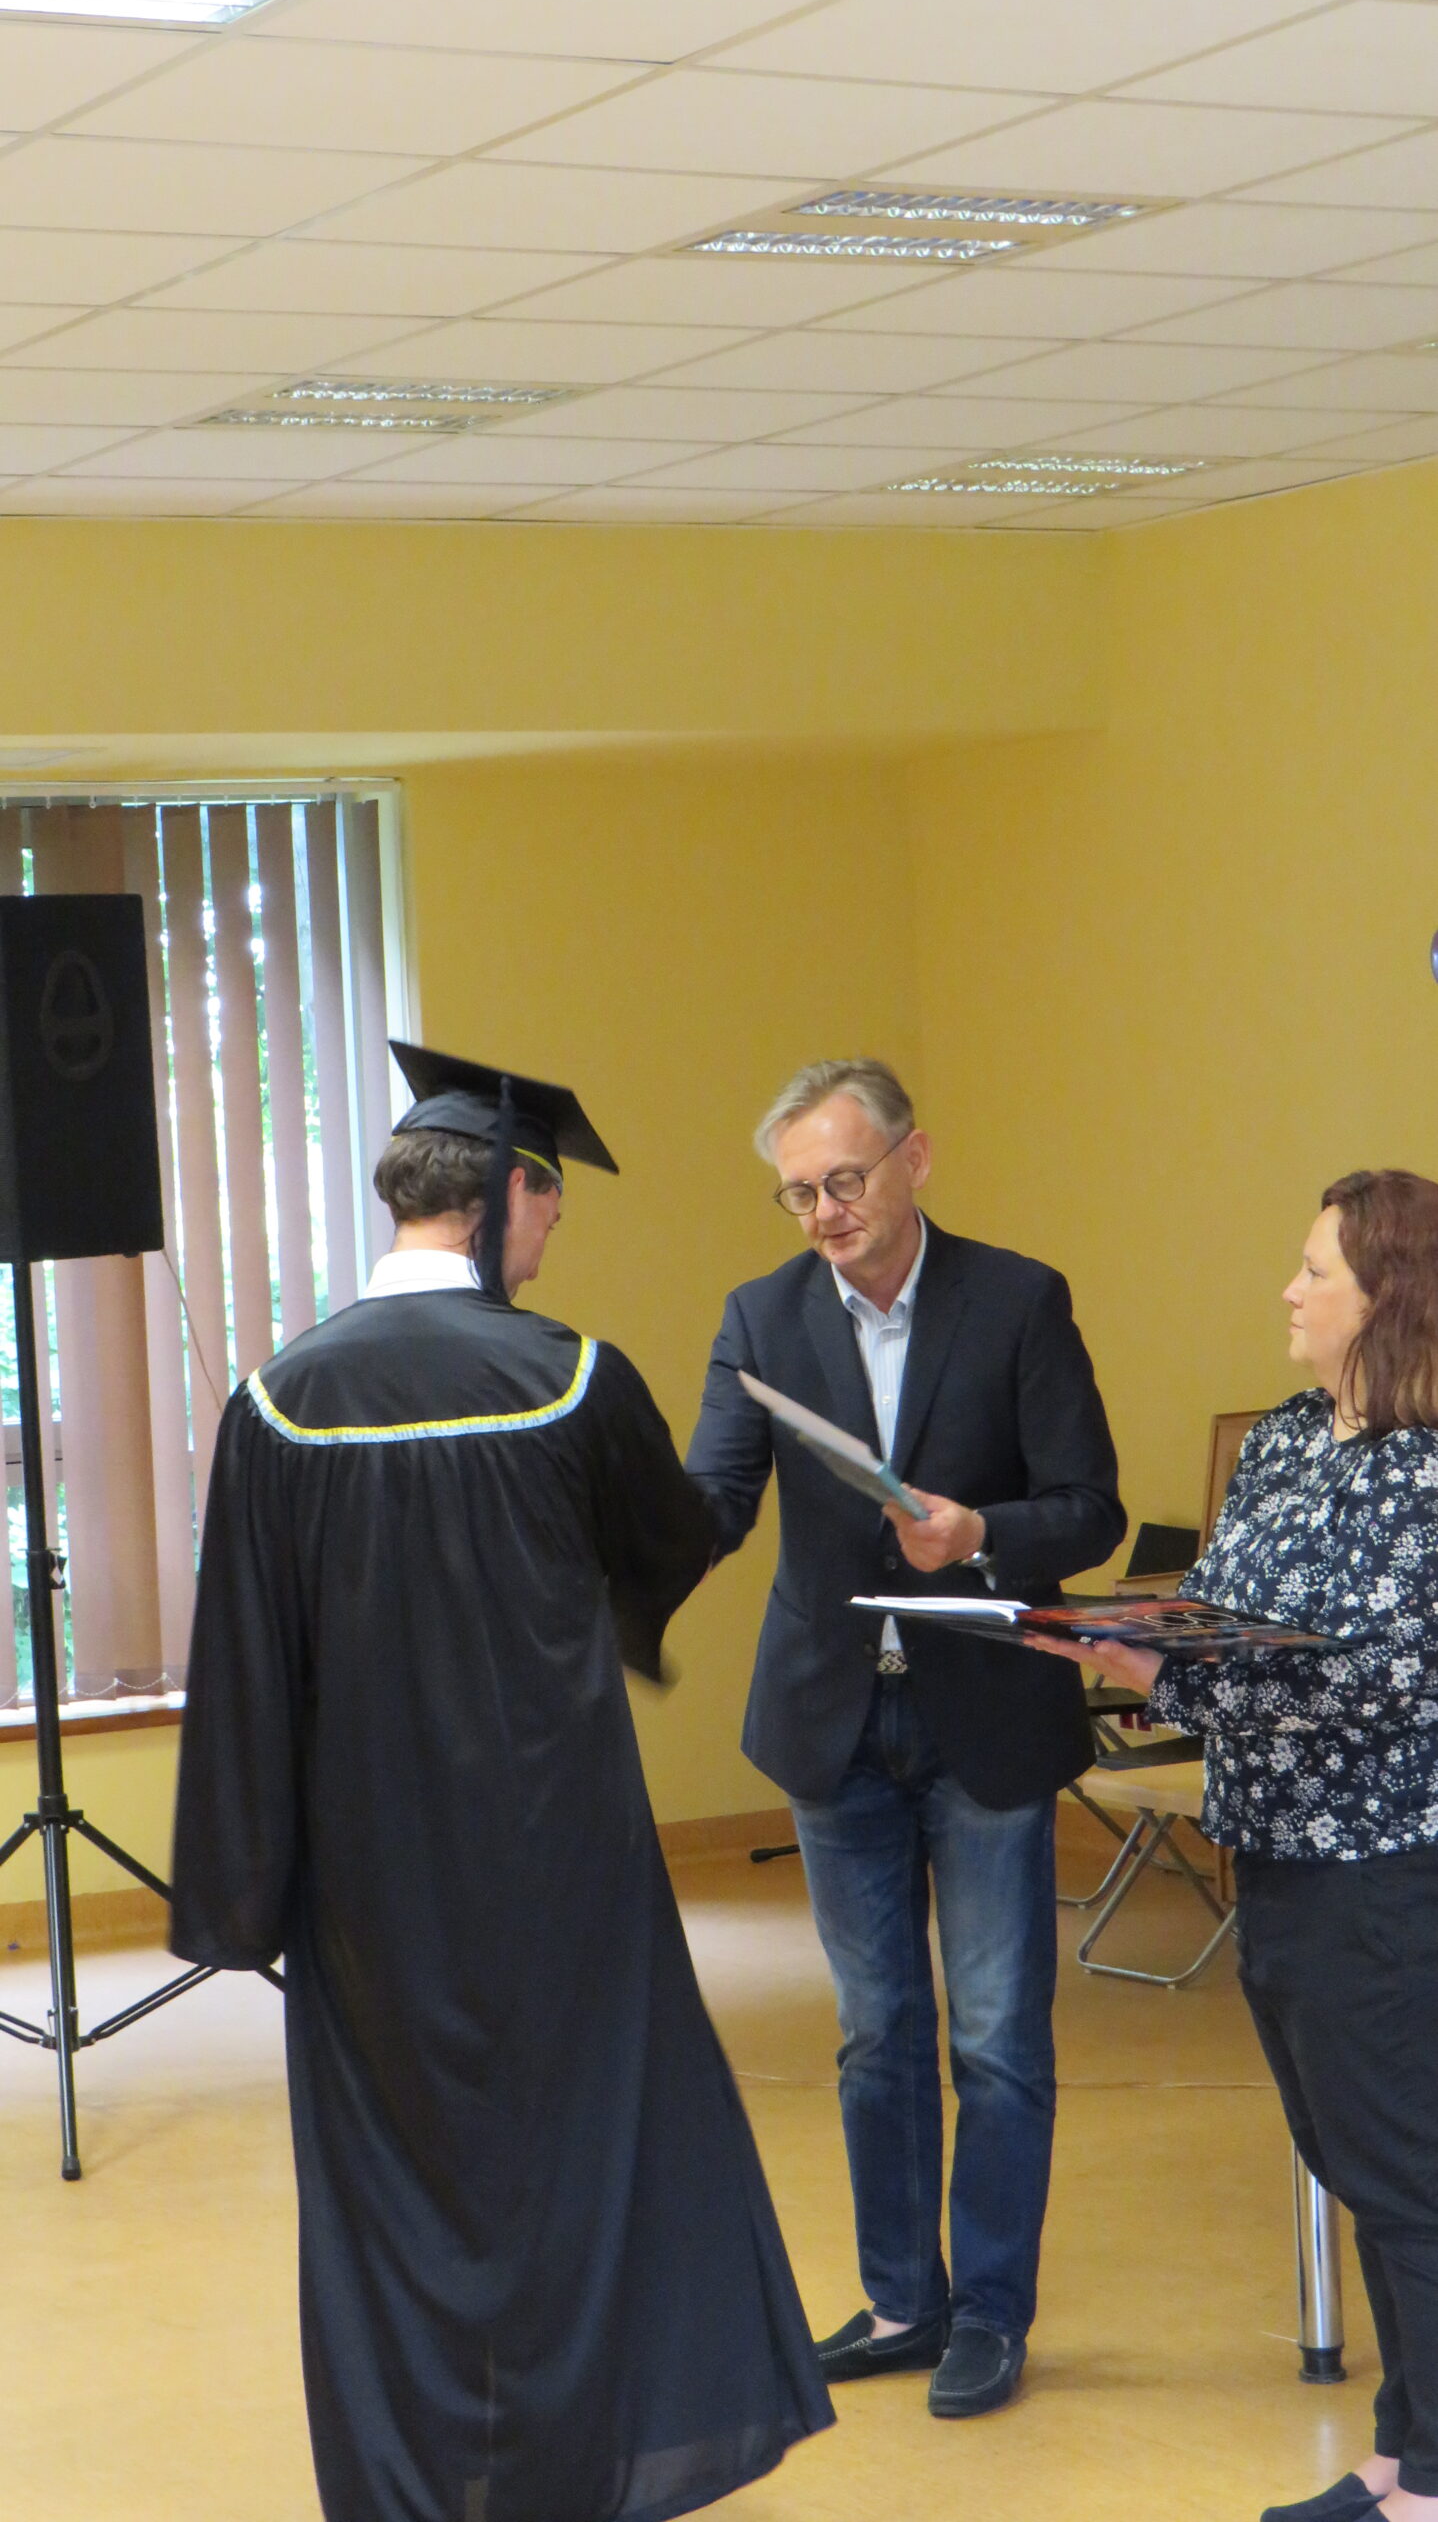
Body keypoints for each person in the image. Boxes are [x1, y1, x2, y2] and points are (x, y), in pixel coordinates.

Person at [169, 1041, 833, 2522]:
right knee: (578, 2164)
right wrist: (729, 1478)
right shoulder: (572, 1379)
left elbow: (247, 1664)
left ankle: (412, 2487)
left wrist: (244, 1894)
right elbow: (664, 1545)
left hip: (368, 1891)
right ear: (502, 1199)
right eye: (550, 1206)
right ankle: (568, 2469)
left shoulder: (276, 1401)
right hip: (560, 1866)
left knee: (392, 2187)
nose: (550, 1236)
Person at [686, 1057, 1124, 2420]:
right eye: (797, 1192)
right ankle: (900, 2301)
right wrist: (604, 1538)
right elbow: (712, 1497)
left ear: (913, 1160)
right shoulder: (760, 1315)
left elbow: (1090, 1507)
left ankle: (989, 2311)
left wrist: (980, 1532)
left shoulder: (1018, 1299)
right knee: (875, 2032)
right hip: (831, 1720)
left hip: (983, 1713)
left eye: (843, 1180)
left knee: (994, 2036)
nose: (823, 1211)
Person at [1032, 1170, 1438, 2522]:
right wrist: (1129, 1640)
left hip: (1384, 1859)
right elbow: (1215, 1604)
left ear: (1389, 1295)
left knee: (1407, 2170)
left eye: (1315, 1270)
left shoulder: (1428, 1465)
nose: (1288, 1290)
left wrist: (1173, 1677)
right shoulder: (1284, 1438)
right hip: (1267, 1844)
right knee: (1351, 2157)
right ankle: (1402, 2453)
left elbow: (1383, 1673)